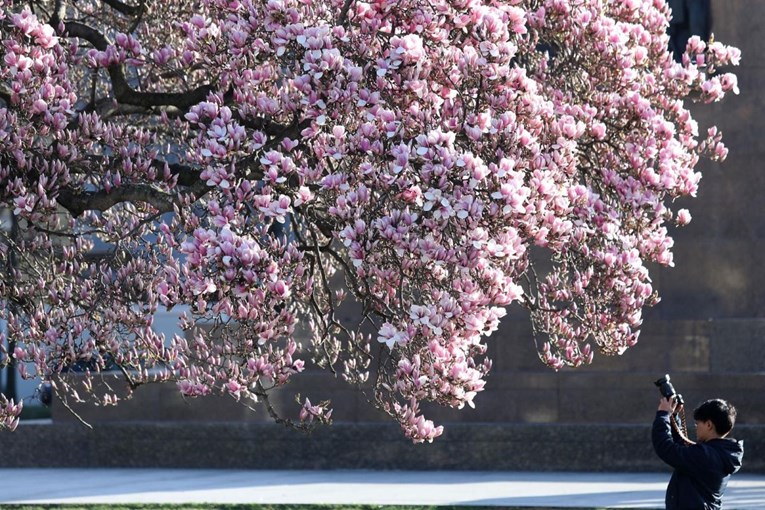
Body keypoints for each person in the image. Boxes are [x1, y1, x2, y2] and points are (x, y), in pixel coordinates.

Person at [652, 397, 744, 509]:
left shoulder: (706, 455)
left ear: (709, 425)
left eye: (698, 423)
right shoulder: (720, 452)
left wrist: (663, 414)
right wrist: (674, 416)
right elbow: (682, 447)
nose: (696, 427)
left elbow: (666, 448)